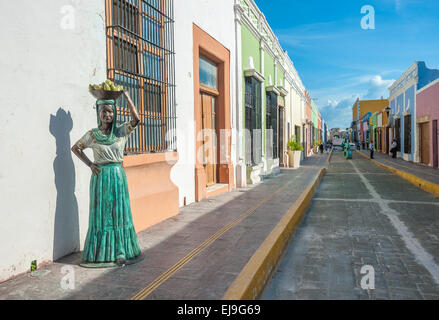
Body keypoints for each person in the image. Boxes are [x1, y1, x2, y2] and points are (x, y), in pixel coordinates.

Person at [71, 91, 142, 267]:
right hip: (100, 178)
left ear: (115, 113)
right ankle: (99, 252)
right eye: (104, 111)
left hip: (117, 176)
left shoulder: (121, 131)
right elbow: (76, 148)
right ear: (98, 113)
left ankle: (121, 250)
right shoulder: (92, 134)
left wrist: (126, 96)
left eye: (110, 111)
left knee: (119, 213)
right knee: (101, 215)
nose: (107, 114)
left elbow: (137, 120)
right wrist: (90, 164)